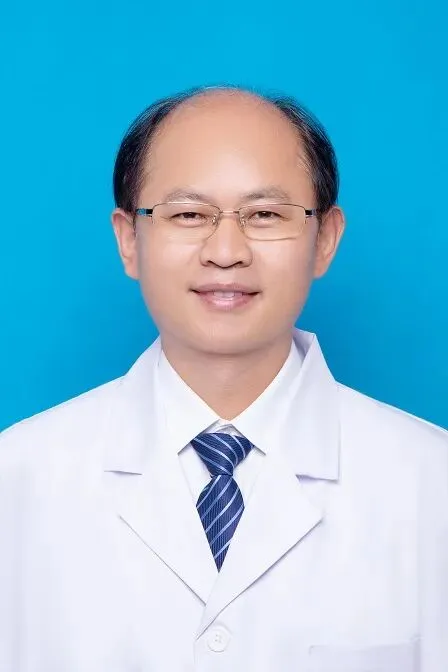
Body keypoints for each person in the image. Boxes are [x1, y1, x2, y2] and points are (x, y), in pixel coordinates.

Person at [0, 85, 446, 672]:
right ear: (129, 239)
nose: (227, 251)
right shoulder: (17, 480)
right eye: (188, 215)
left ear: (325, 239)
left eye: (265, 215)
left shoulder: (432, 483)